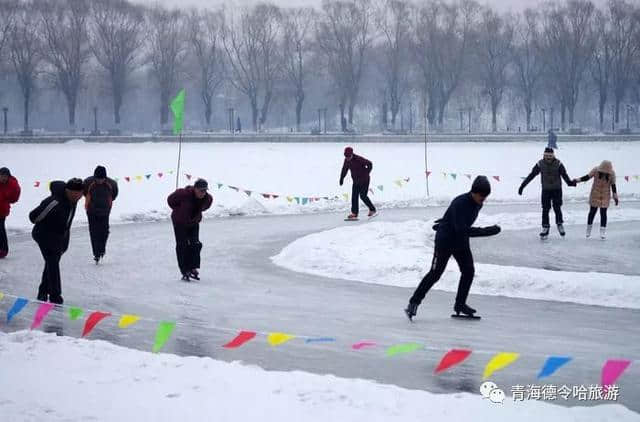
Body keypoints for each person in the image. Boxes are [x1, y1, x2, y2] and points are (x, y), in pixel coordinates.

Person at [404, 176, 500, 320]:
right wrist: (487, 231)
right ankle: (413, 303)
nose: (484, 199)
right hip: (445, 241)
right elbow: (462, 228)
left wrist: (444, 221)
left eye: (486, 196)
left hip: (460, 241)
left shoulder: (477, 203)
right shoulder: (460, 203)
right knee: (436, 273)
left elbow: (460, 222)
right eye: (482, 195)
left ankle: (460, 304)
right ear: (474, 192)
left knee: (468, 271)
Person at [29, 178, 84, 304]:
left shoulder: (73, 201)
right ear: (67, 191)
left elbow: (66, 223)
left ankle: (42, 292)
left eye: (79, 194)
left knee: (50, 263)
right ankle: (55, 297)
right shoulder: (54, 202)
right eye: (74, 193)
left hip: (59, 238)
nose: (77, 196)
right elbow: (33, 217)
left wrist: (64, 241)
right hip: (43, 235)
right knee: (53, 263)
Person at [518, 148, 576, 238]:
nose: (548, 157)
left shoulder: (558, 164)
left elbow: (565, 175)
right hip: (546, 190)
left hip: (557, 190)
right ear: (544, 155)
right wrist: (522, 186)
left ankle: (559, 224)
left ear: (553, 156)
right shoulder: (540, 164)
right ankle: (545, 228)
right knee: (545, 209)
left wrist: (570, 183)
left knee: (557, 208)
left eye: (550, 156)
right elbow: (531, 175)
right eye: (546, 156)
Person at [167, 178, 213, 281]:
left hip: (193, 223)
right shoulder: (183, 194)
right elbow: (170, 200)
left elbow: (206, 206)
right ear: (195, 189)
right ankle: (185, 270)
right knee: (182, 245)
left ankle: (192, 267)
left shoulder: (207, 198)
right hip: (180, 222)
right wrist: (179, 210)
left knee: (195, 244)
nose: (203, 193)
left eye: (205, 190)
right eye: (201, 190)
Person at [573, 160, 619, 240]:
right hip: (595, 194)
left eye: (606, 172)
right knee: (592, 212)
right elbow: (587, 177)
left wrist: (615, 196)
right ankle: (588, 230)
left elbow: (613, 185)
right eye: (603, 171)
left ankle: (602, 232)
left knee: (603, 213)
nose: (604, 173)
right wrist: (577, 180)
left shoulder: (612, 173)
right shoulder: (596, 170)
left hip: (605, 195)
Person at [83, 165, 119, 263]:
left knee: (104, 231)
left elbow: (114, 195)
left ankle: (102, 249)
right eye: (97, 179)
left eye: (101, 179)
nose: (99, 181)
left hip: (105, 211)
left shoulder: (112, 183)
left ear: (105, 177)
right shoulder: (88, 182)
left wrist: (106, 204)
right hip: (91, 211)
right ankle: (96, 253)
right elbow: (84, 193)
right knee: (94, 232)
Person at [339, 146, 376, 220]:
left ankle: (372, 209)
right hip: (356, 181)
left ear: (352, 154)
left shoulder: (359, 159)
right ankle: (354, 213)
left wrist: (366, 173)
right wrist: (342, 178)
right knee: (354, 197)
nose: (347, 158)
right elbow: (344, 169)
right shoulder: (346, 160)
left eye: (348, 156)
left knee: (363, 196)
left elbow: (370, 164)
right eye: (346, 156)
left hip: (364, 180)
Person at [0, 167, 21, 258]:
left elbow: (15, 197)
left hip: (2, 210)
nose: (3, 178)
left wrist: (6, 200)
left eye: (5, 176)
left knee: (0, 229)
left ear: (8, 177)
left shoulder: (13, 185)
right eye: (1, 176)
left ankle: (3, 250)